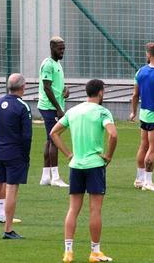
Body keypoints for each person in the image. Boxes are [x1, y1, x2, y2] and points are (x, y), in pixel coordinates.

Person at [51, 79, 117, 263]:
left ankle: (68, 252)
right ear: (101, 93)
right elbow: (113, 134)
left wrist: (68, 154)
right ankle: (95, 251)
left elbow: (54, 133)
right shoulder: (102, 112)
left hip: (76, 165)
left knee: (73, 209)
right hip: (95, 165)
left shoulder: (73, 111)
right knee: (95, 210)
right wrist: (109, 155)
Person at [0, 73, 31, 240]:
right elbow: (26, 137)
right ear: (23, 88)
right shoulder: (23, 107)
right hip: (15, 154)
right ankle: (8, 230)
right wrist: (25, 156)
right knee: (11, 190)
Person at [130, 42, 154, 192]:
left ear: (148, 54)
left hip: (143, 114)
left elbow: (135, 95)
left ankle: (139, 179)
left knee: (143, 146)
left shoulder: (140, 72)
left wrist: (133, 112)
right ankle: (148, 181)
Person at [38, 36, 70, 187]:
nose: (62, 51)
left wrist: (65, 90)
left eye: (63, 48)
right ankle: (55, 177)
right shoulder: (48, 65)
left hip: (53, 106)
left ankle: (45, 176)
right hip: (49, 107)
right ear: (52, 47)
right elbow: (46, 87)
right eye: (60, 48)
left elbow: (55, 86)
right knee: (54, 139)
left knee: (50, 139)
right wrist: (58, 108)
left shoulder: (57, 64)